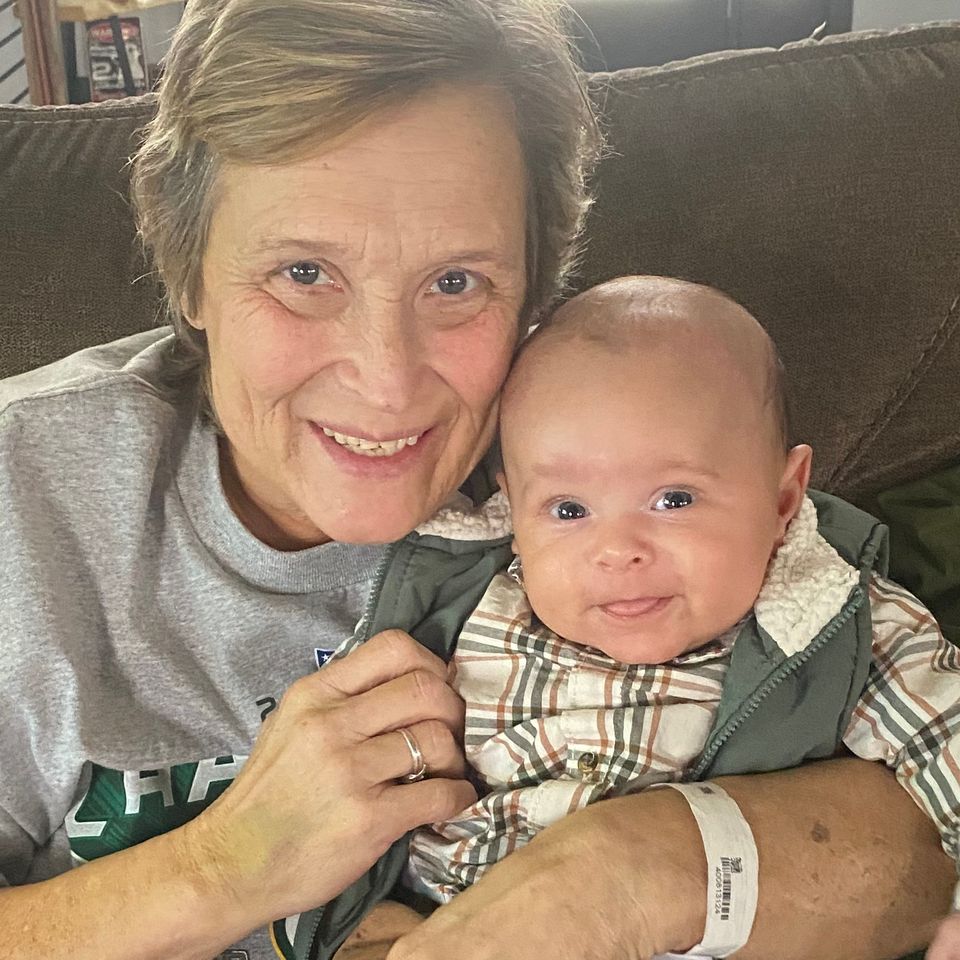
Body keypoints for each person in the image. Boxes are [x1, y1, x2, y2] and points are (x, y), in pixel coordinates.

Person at [0, 2, 952, 960]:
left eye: (455, 283)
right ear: (189, 275)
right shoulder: (26, 496)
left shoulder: (623, 456)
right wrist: (219, 867)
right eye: (303, 273)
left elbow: (913, 826)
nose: (386, 380)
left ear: (533, 293)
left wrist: (625, 874)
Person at [388, 277, 960, 951]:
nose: (617, 550)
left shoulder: (842, 626)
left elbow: (948, 741)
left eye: (674, 500)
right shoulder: (461, 609)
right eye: (569, 510)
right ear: (514, 513)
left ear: (783, 499)